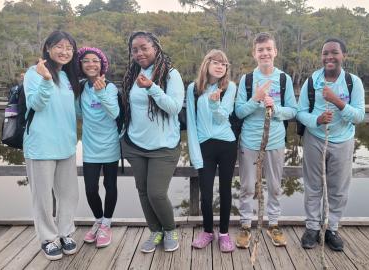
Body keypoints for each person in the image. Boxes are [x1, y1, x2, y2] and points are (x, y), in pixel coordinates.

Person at [297, 38, 365, 251]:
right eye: (325, 53)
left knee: (338, 189)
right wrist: (316, 120)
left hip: (343, 141)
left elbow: (359, 116)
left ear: (343, 55)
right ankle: (312, 228)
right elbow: (300, 112)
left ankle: (331, 228)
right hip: (315, 139)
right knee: (313, 186)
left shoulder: (353, 82)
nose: (329, 57)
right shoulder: (312, 81)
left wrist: (337, 101)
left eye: (334, 52)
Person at [120, 31, 184, 253]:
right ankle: (155, 231)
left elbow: (174, 108)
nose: (139, 53)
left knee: (156, 192)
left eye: (144, 47)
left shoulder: (170, 74)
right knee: (143, 191)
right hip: (135, 145)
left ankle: (169, 229)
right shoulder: (132, 74)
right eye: (135, 49)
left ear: (155, 48)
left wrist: (152, 88)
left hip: (164, 146)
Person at [234, 32, 297, 248]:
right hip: (249, 142)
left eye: (268, 49)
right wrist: (256, 99)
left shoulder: (283, 79)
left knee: (274, 186)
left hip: (275, 142)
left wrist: (275, 109)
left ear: (275, 52)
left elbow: (293, 111)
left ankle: (273, 224)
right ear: (254, 53)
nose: (265, 53)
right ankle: (244, 225)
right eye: (260, 50)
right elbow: (239, 112)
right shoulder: (247, 79)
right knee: (247, 187)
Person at [23, 30, 80, 261]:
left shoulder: (67, 77)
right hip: (41, 145)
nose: (64, 51)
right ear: (47, 47)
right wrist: (46, 80)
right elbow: (36, 104)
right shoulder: (33, 73)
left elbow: (73, 110)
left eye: (69, 48)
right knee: (43, 197)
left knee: (68, 194)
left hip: (66, 145)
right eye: (59, 46)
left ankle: (65, 232)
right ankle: (48, 238)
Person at [187, 49, 237, 252]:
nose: (220, 66)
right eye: (215, 62)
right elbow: (191, 122)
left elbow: (222, 118)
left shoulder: (230, 87)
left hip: (226, 145)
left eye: (223, 64)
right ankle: (208, 231)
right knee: (206, 193)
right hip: (203, 145)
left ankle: (224, 234)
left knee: (225, 190)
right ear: (206, 64)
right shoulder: (193, 88)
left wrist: (215, 104)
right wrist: (194, 153)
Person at [76, 47, 120, 248]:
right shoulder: (80, 88)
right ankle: (98, 220)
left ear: (102, 65)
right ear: (81, 65)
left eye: (95, 60)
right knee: (90, 189)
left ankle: (107, 224)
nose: (91, 64)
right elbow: (77, 113)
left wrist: (101, 93)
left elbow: (114, 113)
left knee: (110, 186)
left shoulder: (110, 87)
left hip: (110, 145)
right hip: (90, 148)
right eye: (86, 61)